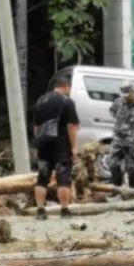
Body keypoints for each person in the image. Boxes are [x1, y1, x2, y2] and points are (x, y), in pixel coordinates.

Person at [31, 74, 80, 219]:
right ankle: (64, 210)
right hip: (61, 145)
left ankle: (40, 210)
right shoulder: (67, 101)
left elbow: (36, 127)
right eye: (69, 88)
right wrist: (74, 148)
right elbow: (72, 126)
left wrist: (38, 143)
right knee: (63, 177)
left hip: (44, 144)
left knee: (42, 177)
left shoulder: (40, 101)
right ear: (65, 87)